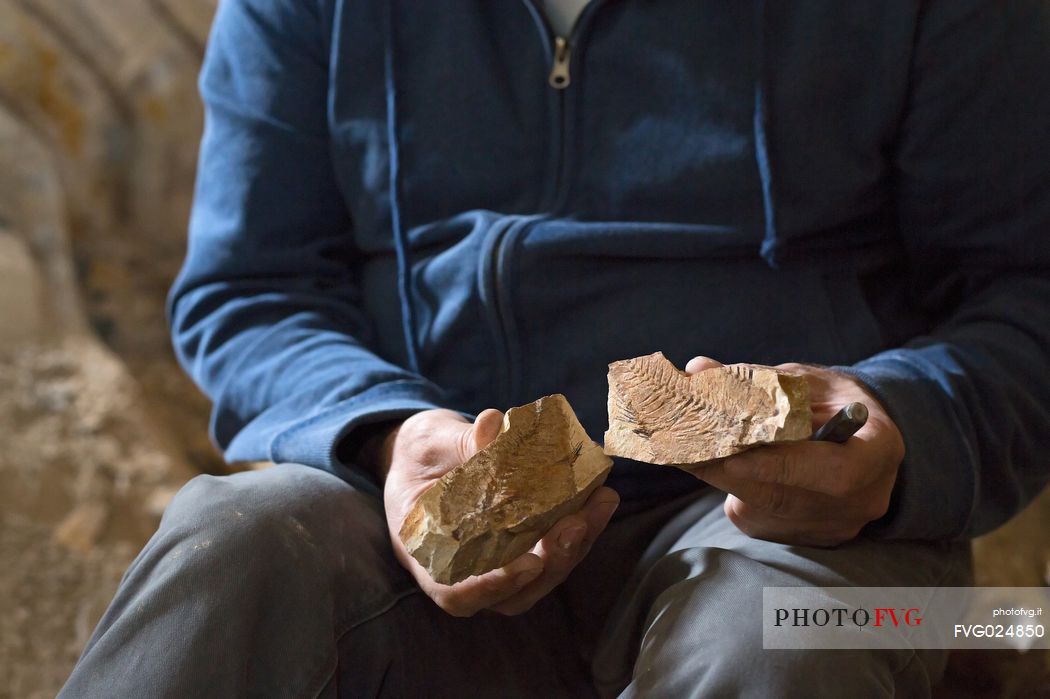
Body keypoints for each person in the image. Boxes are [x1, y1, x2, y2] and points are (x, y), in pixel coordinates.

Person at [61, 0, 1050, 696]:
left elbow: (1027, 292)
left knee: (782, 641)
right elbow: (251, 291)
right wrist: (390, 438)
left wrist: (904, 433)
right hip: (406, 523)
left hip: (796, 543)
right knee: (235, 537)